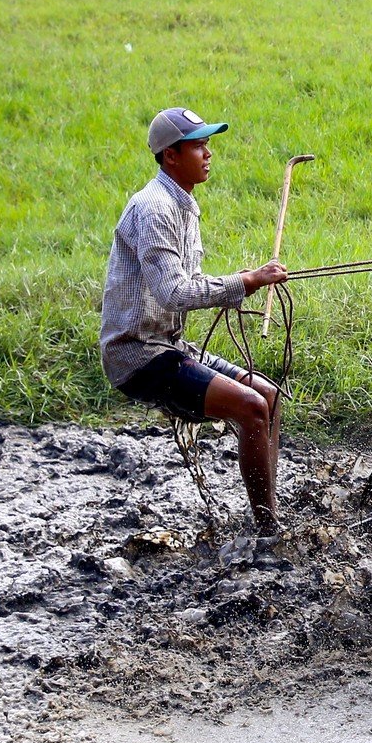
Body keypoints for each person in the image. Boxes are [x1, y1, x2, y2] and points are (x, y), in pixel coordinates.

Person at [101, 109, 289, 536]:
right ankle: (268, 531)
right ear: (170, 156)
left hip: (169, 344)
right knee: (252, 407)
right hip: (138, 353)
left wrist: (244, 282)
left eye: (207, 144)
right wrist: (244, 282)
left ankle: (267, 510)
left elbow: (183, 285)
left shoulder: (184, 205)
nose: (208, 154)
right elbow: (173, 292)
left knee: (268, 397)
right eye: (198, 145)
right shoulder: (155, 209)